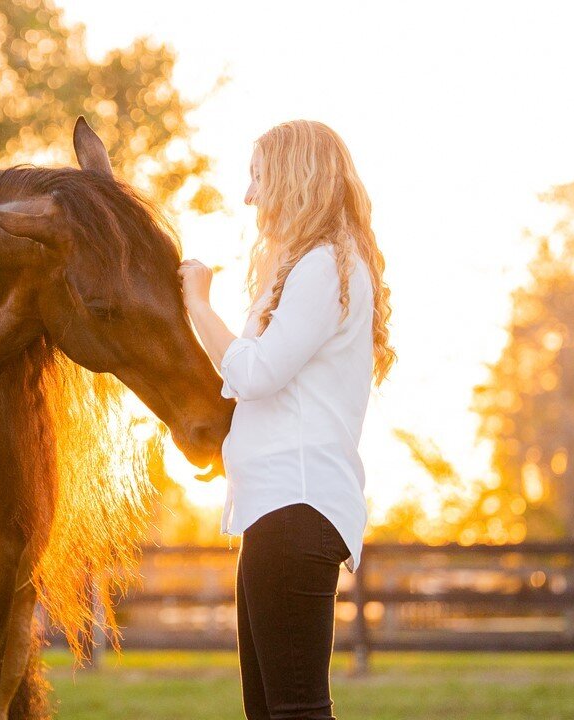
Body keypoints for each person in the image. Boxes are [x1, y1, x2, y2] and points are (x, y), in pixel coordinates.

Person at [178, 119, 396, 720]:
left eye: (257, 177)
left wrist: (199, 304)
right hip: (272, 511)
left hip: (297, 510)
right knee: (268, 711)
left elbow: (256, 373)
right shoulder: (300, 269)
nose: (248, 196)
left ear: (294, 178)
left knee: (296, 710)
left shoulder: (328, 267)